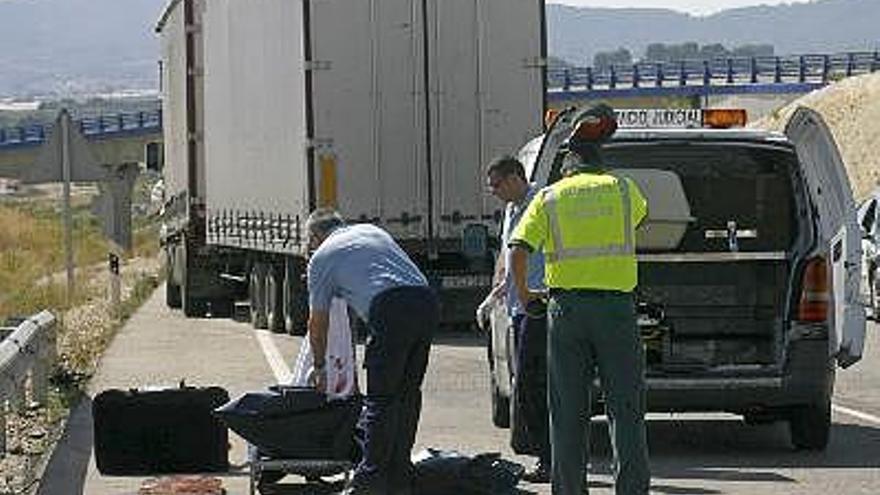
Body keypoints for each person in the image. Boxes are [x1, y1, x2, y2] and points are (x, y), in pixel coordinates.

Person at [508, 104, 651, 494]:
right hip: (616, 312)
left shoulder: (550, 197)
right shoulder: (624, 190)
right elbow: (640, 220)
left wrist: (525, 296)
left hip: (566, 312)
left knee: (568, 412)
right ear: (600, 164)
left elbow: (518, 249)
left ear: (567, 167)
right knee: (626, 409)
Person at [305, 208, 439, 495]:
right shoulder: (371, 231)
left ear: (316, 236)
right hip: (425, 301)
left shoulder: (322, 257)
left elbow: (317, 322)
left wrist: (320, 367)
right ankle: (400, 473)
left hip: (390, 309)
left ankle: (371, 480)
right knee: (407, 394)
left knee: (381, 399)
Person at [477, 155, 551, 483]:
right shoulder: (510, 210)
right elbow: (508, 257)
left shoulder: (542, 204)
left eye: (496, 184)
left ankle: (549, 458)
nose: (492, 191)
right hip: (516, 310)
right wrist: (493, 296)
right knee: (524, 383)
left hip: (538, 305)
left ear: (514, 178)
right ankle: (541, 454)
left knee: (535, 385)